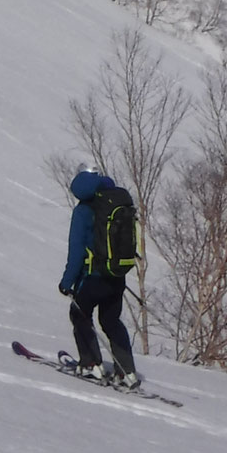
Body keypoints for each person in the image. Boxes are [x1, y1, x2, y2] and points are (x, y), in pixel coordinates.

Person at [59, 165, 140, 388]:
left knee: (80, 314)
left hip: (93, 276)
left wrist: (67, 282)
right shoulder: (117, 202)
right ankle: (127, 372)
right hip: (116, 274)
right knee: (111, 321)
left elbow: (76, 251)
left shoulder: (84, 210)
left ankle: (91, 364)